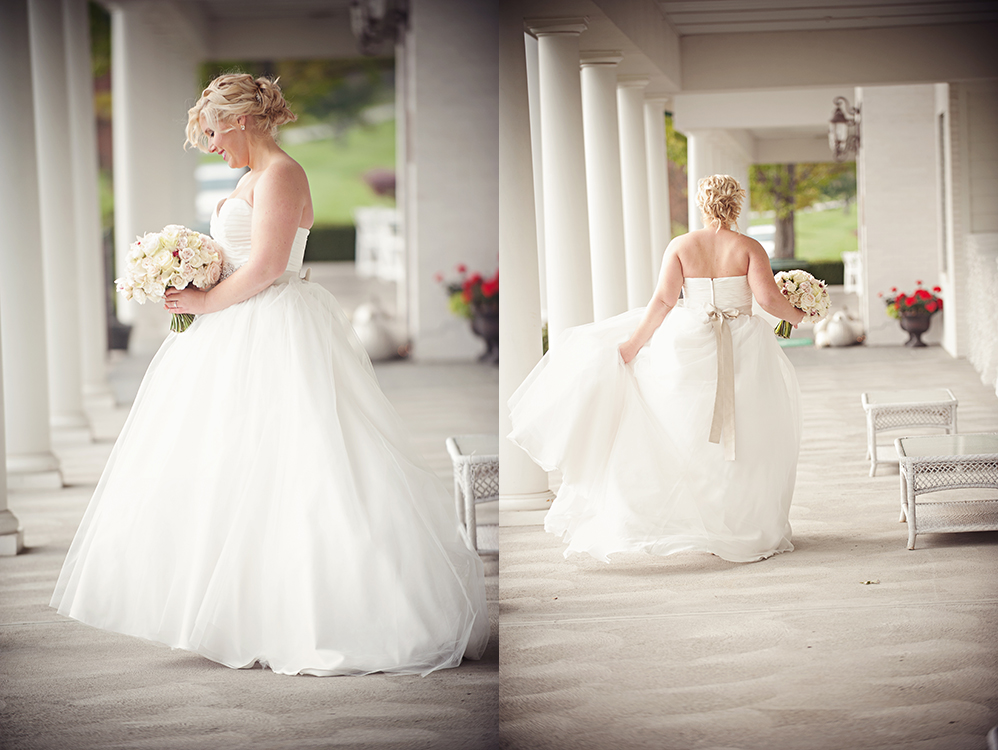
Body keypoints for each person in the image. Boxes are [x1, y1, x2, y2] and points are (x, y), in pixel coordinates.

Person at [50, 74, 489, 676]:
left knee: (299, 464)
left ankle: (318, 612)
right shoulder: (248, 178)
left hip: (273, 327)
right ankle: (238, 610)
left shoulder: (282, 173)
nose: (210, 144)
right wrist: (193, 278)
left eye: (212, 130)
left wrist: (204, 302)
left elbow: (267, 265)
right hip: (234, 330)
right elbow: (238, 260)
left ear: (241, 121)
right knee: (230, 465)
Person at [509, 175, 805, 564]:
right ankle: (740, 525)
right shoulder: (748, 247)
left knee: (687, 431)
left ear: (703, 204)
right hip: (744, 345)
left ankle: (701, 521)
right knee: (749, 435)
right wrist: (798, 313)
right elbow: (767, 298)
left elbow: (664, 300)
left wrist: (633, 345)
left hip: (690, 343)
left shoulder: (681, 246)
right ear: (737, 204)